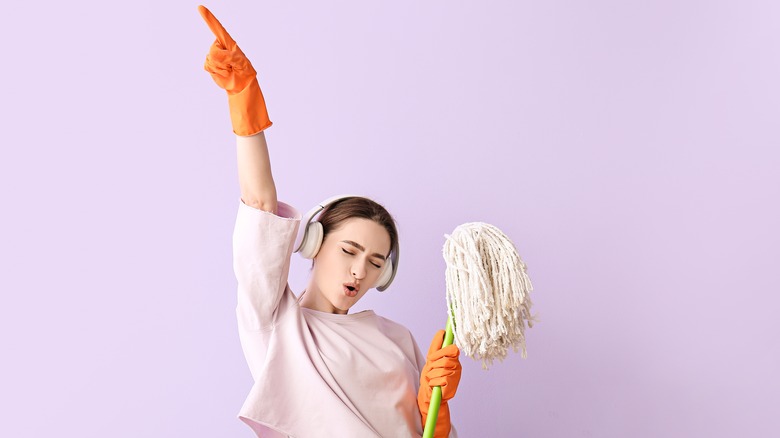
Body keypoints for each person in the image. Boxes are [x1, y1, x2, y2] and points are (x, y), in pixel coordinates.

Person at [197, 5, 462, 438]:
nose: (360, 270)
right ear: (314, 242)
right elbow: (260, 206)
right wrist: (244, 105)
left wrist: (439, 414)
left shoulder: (399, 341)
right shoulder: (277, 325)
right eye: (350, 250)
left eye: (377, 261)